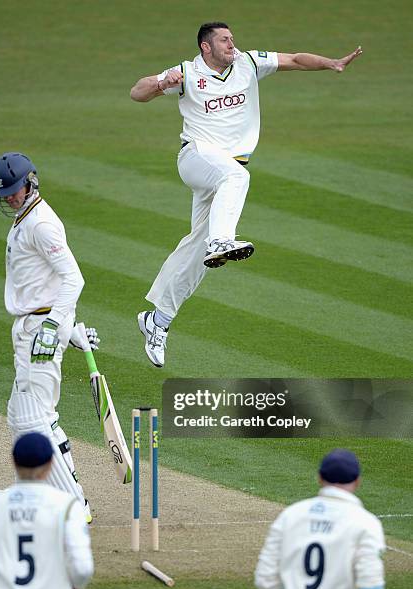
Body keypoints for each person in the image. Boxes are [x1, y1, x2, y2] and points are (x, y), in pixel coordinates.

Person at [130, 22, 362, 367]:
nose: (231, 43)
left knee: (198, 249)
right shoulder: (187, 72)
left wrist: (331, 63)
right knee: (236, 177)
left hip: (222, 170)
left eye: (232, 38)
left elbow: (295, 59)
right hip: (196, 157)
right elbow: (138, 92)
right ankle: (221, 241)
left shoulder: (248, 62)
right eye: (224, 40)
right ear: (206, 47)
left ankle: (157, 321)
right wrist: (163, 83)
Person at [0, 152, 99, 522]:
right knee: (21, 416)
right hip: (33, 328)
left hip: (39, 333)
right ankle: (31, 494)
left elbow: (74, 279)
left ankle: (73, 506)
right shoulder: (27, 218)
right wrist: (67, 328)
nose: (8, 198)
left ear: (30, 183)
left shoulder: (41, 225)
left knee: (36, 418)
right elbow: (46, 285)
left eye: (14, 192)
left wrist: (55, 327)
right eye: (3, 194)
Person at [0, 432, 94, 589]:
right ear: (51, 464)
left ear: (13, 462)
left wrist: (2, 579)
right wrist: (74, 586)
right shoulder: (69, 507)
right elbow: (82, 569)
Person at [254, 449, 386, 589]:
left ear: (320, 478)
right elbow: (370, 586)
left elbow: (265, 578)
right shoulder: (366, 522)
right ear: (358, 481)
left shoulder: (290, 515)